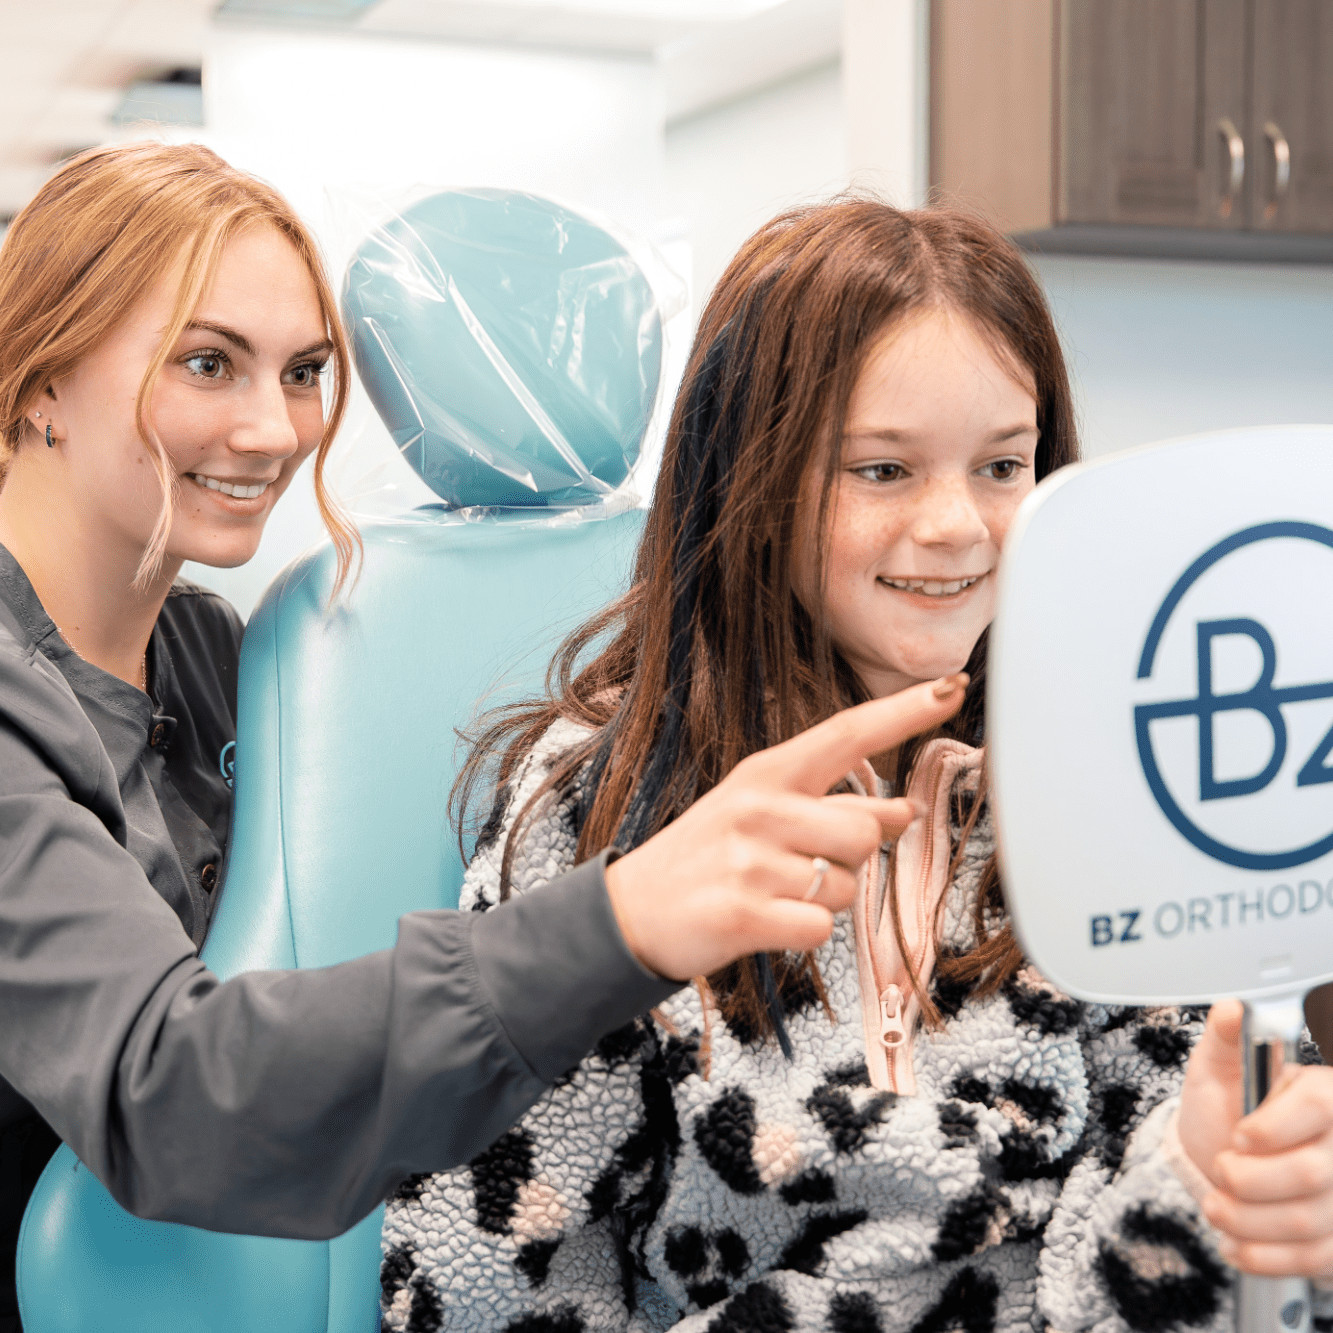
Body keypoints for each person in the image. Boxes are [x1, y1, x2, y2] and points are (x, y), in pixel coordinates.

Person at [0, 144, 951, 1332]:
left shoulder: (223, 649)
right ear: (38, 377)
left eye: (304, 371)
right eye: (208, 363)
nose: (271, 428)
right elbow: (171, 1088)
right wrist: (622, 918)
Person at [381, 199, 1333, 1333]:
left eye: (1002, 465)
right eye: (881, 470)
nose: (958, 526)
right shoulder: (605, 807)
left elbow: (1166, 1238)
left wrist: (1208, 1180)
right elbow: (488, 1275)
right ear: (752, 478)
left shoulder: (1123, 772)